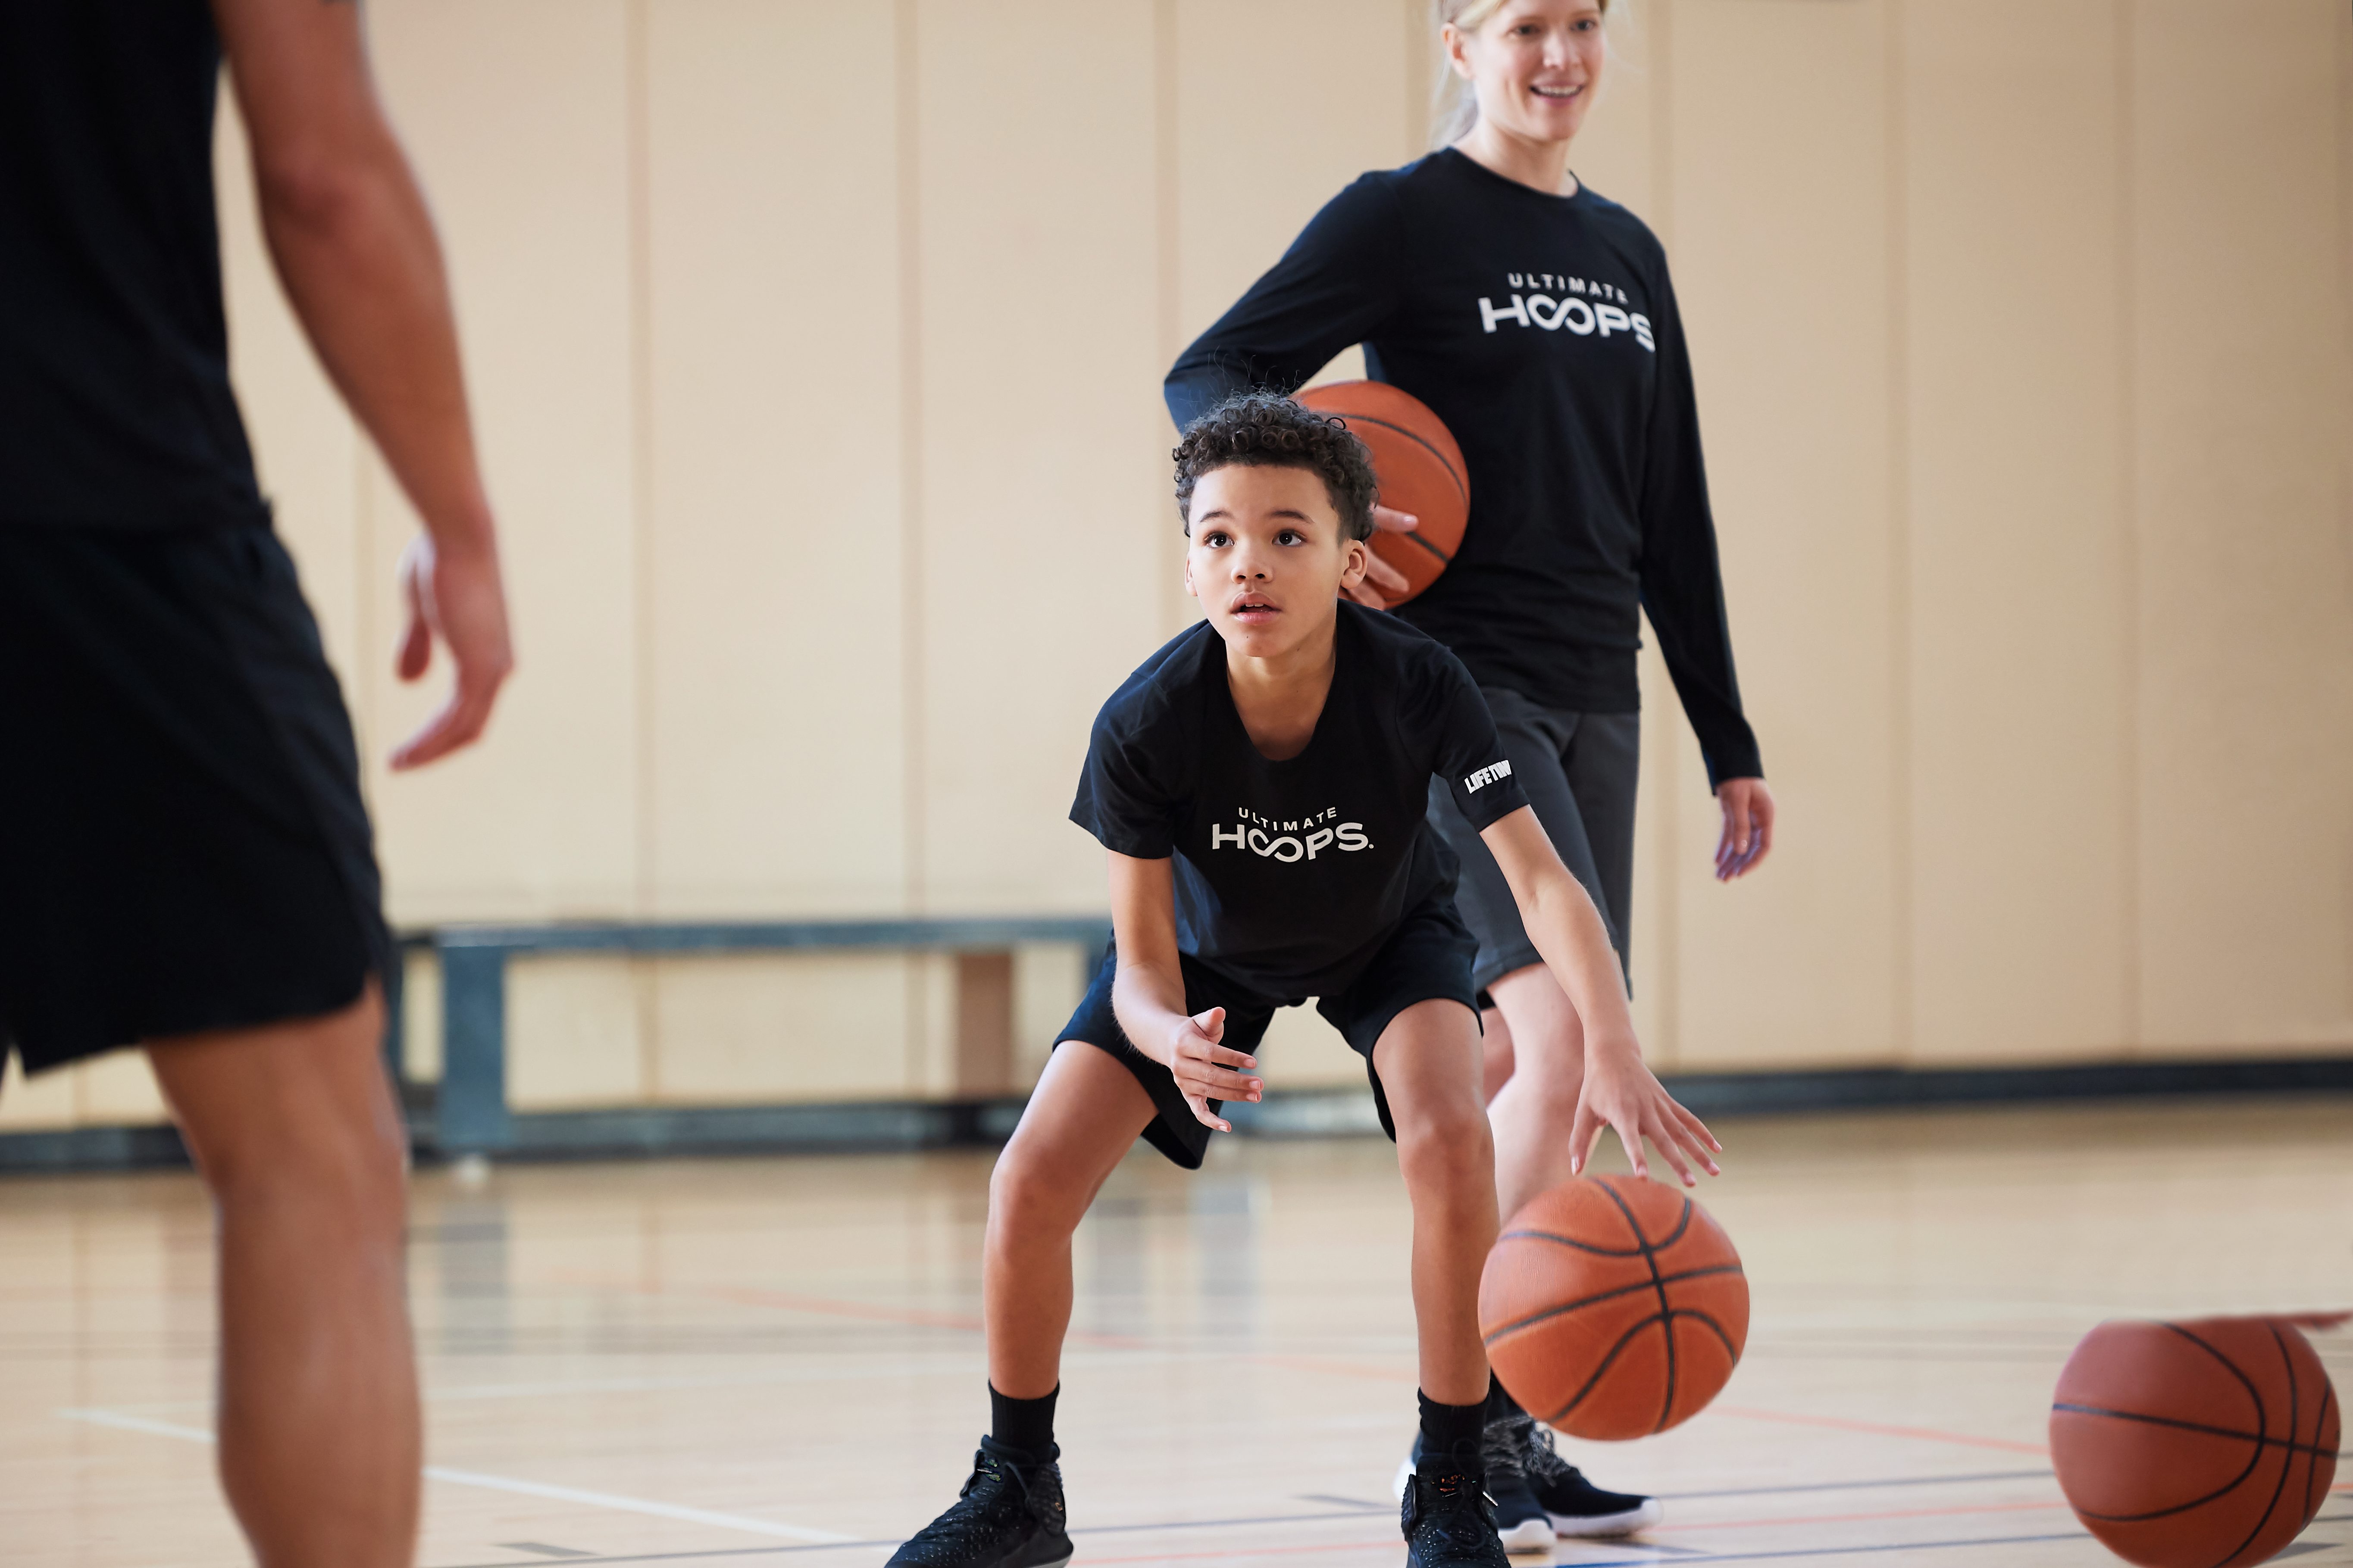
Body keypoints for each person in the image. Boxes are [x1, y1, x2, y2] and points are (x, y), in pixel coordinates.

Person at [886, 394, 1717, 1568]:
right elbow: (1138, 966)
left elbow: (1539, 883)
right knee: (1026, 1178)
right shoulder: (1144, 723)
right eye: (1219, 537)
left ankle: (1451, 1483)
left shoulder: (1422, 682)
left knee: (1450, 1139)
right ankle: (1018, 1487)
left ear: (1352, 560)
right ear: (1189, 565)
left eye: (1288, 534)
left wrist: (1614, 1048)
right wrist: (1169, 1037)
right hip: (1205, 957)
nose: (1251, 563)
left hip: (1388, 937)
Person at [1164, 0, 1770, 1540]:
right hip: (1452, 683)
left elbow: (1673, 506)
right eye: (1521, 25)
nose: (1557, 54)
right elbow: (1210, 371)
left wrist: (1728, 737)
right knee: (1563, 1034)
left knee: (1520, 1072)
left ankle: (1501, 1403)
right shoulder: (1402, 218)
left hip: (1596, 684)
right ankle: (1468, 1438)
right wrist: (1322, 515)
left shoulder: (1627, 252)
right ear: (1458, 43)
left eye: (1581, 22)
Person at [0, 2, 513, 1564]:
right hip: (103, 506)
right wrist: (458, 526)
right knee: (307, 1154)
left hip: (105, 499)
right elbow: (323, 173)